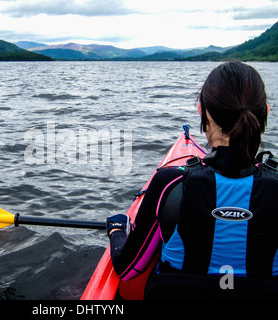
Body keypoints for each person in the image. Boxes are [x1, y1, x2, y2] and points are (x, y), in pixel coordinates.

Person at [106, 61, 278, 298]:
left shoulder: (170, 184)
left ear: (202, 112)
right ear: (266, 112)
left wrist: (117, 230)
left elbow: (127, 269)